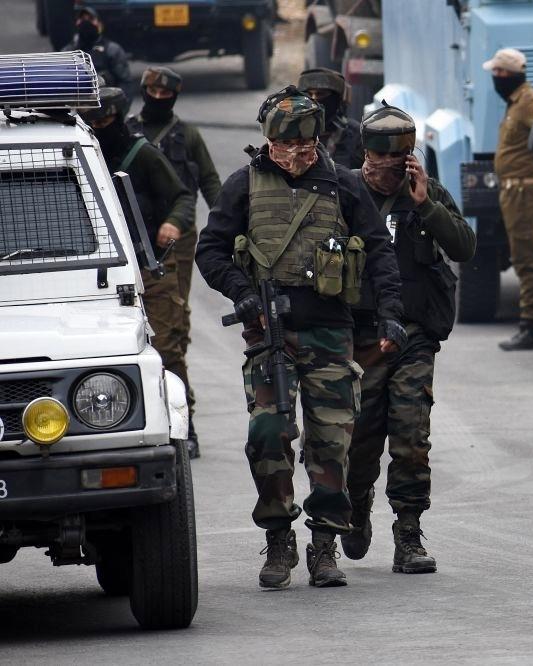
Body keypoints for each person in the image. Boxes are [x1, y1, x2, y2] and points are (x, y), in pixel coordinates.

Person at [195, 88, 405, 590]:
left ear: (316, 141)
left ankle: (325, 544)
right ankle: (277, 537)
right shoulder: (243, 185)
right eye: (282, 145)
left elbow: (379, 252)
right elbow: (210, 252)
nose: (293, 154)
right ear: (267, 140)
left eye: (304, 145)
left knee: (332, 443)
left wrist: (392, 315)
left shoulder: (343, 187)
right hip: (271, 336)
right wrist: (242, 294)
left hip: (332, 334)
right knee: (267, 436)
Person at [342, 104, 476, 574]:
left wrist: (425, 204)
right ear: (366, 154)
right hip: (361, 337)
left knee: (411, 435)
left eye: (400, 157)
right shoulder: (345, 194)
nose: (389, 167)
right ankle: (356, 504)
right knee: (359, 438)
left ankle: (408, 533)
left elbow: (464, 246)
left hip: (414, 335)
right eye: (381, 157)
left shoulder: (427, 193)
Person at [79, 87, 194, 419]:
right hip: (100, 275)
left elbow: (182, 197)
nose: (100, 126)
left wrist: (172, 223)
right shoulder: (80, 154)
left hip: (149, 266)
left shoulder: (141, 154)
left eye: (106, 119)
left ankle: (182, 420)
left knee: (167, 348)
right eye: (93, 120)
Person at [127, 66, 222, 460]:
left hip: (177, 242)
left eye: (166, 93)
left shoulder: (188, 135)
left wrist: (226, 226)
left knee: (172, 327)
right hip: (131, 240)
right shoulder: (125, 132)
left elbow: (211, 183)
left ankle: (184, 417)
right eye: (152, 90)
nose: (158, 98)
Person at [484, 47, 533, 351]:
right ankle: (531, 322)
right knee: (523, 256)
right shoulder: (516, 102)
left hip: (527, 191)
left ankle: (532, 325)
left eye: (497, 73)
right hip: (515, 190)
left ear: (508, 74)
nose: (494, 78)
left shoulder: (528, 102)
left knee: (529, 259)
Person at [298, 67, 364, 169]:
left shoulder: (354, 134)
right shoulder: (292, 132)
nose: (314, 99)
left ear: (336, 99)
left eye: (320, 94)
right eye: (309, 94)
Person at [63, 7, 130, 93]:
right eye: (82, 19)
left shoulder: (112, 50)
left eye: (91, 19)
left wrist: (120, 105)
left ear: (99, 24)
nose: (86, 23)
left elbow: (125, 83)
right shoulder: (67, 52)